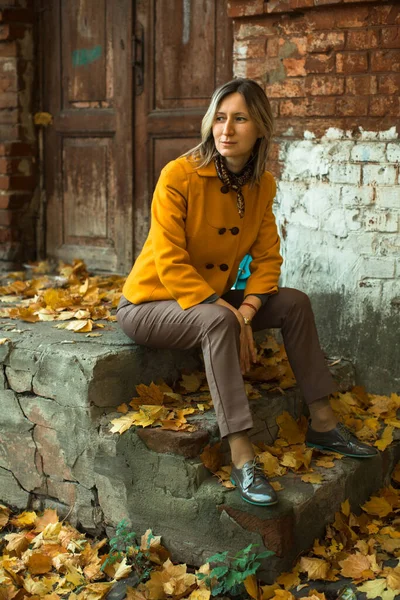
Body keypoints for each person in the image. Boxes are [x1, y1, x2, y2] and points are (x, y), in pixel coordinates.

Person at [117, 78, 378, 508]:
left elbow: (268, 259)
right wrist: (228, 312)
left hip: (213, 303)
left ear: (260, 127)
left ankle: (324, 424)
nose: (226, 129)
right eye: (220, 118)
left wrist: (249, 307)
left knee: (294, 302)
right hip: (150, 303)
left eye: (239, 119)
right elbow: (169, 259)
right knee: (219, 318)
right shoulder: (179, 175)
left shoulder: (261, 185)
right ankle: (241, 455)